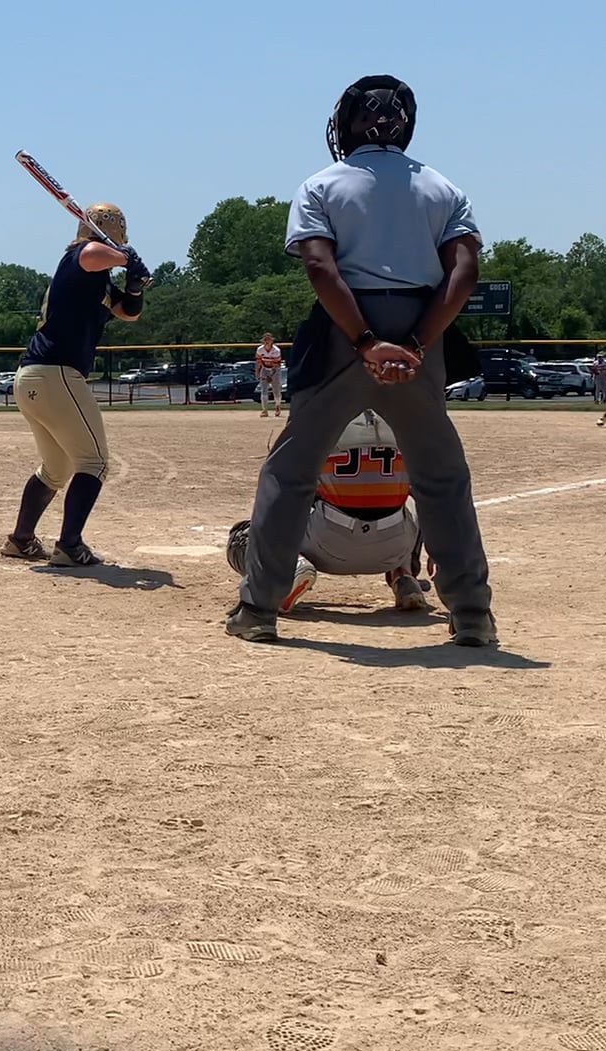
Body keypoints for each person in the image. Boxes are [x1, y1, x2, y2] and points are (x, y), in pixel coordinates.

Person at [226, 74, 497, 647]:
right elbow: (465, 272)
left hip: (343, 329)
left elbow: (320, 267)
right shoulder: (444, 188)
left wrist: (367, 340)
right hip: (425, 325)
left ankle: (259, 609)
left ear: (347, 125)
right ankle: (472, 613)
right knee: (441, 477)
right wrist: (417, 344)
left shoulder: (321, 184)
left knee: (291, 472)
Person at [2, 203, 151, 567]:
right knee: (94, 462)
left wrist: (134, 288)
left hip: (36, 378)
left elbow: (129, 313)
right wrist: (126, 257)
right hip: (57, 374)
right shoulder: (79, 258)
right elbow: (91, 253)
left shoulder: (97, 280)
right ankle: (69, 545)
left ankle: (21, 540)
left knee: (56, 468)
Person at [225, 409, 431, 614]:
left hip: (328, 546)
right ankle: (404, 575)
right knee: (413, 499)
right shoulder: (404, 424)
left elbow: (284, 494)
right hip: (394, 548)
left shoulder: (320, 422)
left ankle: (289, 570)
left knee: (241, 537)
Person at [255, 332, 285, 415]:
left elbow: (277, 364)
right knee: (264, 390)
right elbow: (258, 362)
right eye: (265, 340)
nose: (266, 342)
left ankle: (277, 407)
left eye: (268, 340)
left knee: (276, 390)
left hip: (275, 370)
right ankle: (264, 410)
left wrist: (271, 375)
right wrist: (257, 372)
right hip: (264, 369)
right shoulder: (260, 349)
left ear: (272, 341)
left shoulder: (276, 350)